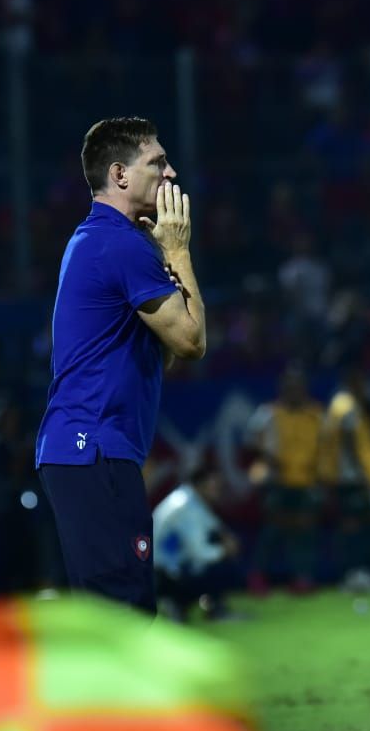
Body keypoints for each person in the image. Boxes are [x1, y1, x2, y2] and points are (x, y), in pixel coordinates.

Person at [35, 117, 208, 614]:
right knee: (125, 612)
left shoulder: (103, 239)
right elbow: (192, 341)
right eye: (157, 162)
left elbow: (168, 353)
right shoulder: (121, 245)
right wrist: (178, 251)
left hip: (87, 451)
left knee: (119, 612)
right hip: (94, 450)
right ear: (120, 174)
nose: (171, 173)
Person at [245, 365, 325, 594]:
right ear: (282, 389)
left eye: (298, 387)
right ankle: (258, 577)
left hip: (307, 480)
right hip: (277, 481)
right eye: (290, 387)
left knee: (305, 532)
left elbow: (325, 447)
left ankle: (302, 578)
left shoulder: (316, 414)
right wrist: (268, 459)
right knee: (272, 530)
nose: (294, 391)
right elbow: (251, 443)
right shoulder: (268, 413)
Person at [319, 367, 370, 590]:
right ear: (353, 380)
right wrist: (363, 474)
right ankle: (356, 575)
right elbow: (350, 440)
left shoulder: (339, 404)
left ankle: (356, 573)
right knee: (357, 527)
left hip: (345, 477)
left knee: (354, 526)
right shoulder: (347, 406)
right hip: (352, 478)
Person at [151, 467, 244, 623]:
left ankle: (178, 602)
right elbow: (199, 552)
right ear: (200, 485)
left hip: (161, 568)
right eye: (214, 486)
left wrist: (226, 537)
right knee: (223, 564)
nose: (218, 490)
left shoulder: (187, 497)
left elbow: (212, 524)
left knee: (218, 544)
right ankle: (191, 605)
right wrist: (226, 550)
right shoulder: (188, 507)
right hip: (163, 573)